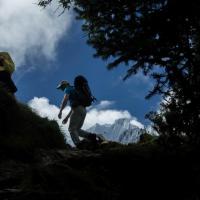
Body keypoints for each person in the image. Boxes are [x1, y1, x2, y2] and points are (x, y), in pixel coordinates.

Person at [57, 77, 101, 147]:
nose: (61, 89)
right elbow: (73, 107)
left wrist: (60, 111)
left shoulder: (67, 89)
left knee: (71, 129)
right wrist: (67, 117)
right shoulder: (76, 89)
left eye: (61, 87)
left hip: (77, 109)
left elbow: (65, 100)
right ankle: (92, 137)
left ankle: (79, 145)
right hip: (83, 110)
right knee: (77, 130)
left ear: (64, 85)